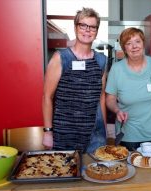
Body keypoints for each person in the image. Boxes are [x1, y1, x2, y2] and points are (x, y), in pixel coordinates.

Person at [42, 7, 107, 153]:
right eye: (83, 25)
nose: (87, 30)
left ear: (96, 31)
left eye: (92, 27)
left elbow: (101, 97)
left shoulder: (102, 60)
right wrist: (47, 131)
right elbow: (47, 96)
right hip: (64, 133)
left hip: (94, 136)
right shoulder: (61, 58)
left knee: (97, 173)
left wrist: (103, 130)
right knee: (67, 173)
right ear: (75, 28)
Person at [105, 27, 151, 151]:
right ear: (124, 48)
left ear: (143, 43)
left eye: (137, 41)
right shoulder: (117, 69)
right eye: (128, 43)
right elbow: (110, 98)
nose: (134, 46)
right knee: (130, 169)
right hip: (129, 135)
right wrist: (116, 110)